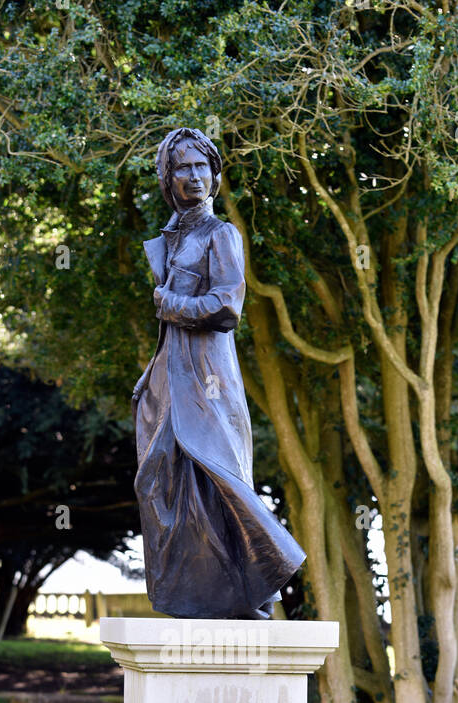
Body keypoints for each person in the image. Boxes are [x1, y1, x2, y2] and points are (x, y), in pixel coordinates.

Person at [132, 126, 305, 619]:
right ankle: (195, 595)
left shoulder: (221, 234)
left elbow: (227, 307)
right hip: (171, 378)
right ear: (169, 177)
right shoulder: (168, 239)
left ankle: (256, 589)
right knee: (157, 481)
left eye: (202, 167)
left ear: (214, 174)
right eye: (183, 167)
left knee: (217, 478)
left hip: (210, 378)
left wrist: (171, 303)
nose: (195, 176)